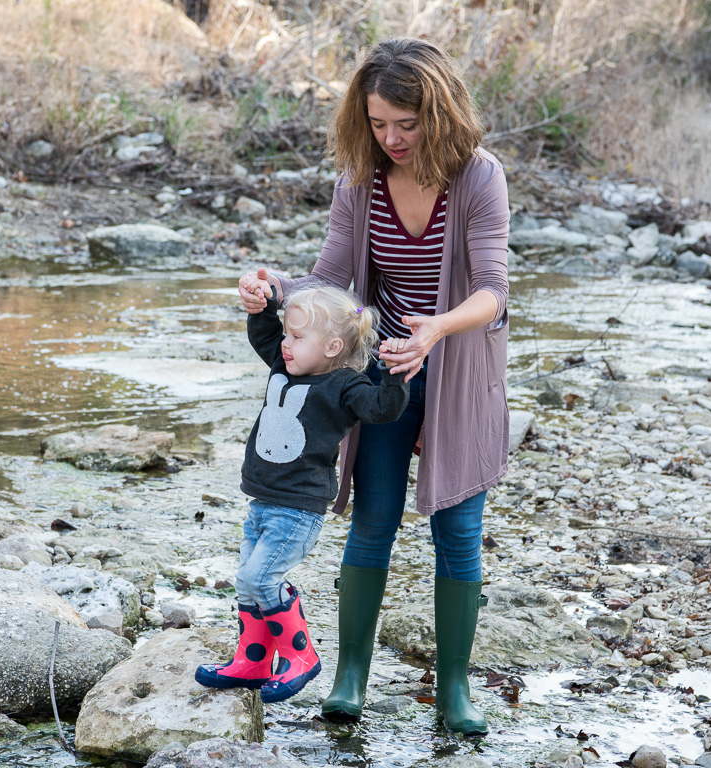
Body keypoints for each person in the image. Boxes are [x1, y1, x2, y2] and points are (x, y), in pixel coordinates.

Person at [237, 37, 510, 737]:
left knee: (458, 529)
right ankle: (349, 677)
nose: (390, 137)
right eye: (378, 121)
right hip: (384, 372)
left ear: (439, 113)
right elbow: (333, 281)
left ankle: (453, 690)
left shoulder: (478, 178)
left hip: (459, 369)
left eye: (406, 124)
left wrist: (436, 329)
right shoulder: (358, 182)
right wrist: (272, 286)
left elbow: (492, 292)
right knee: (373, 520)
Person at [195, 283, 410, 703]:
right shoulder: (283, 364)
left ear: (331, 347)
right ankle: (253, 661)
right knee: (245, 584)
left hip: (297, 510)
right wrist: (265, 308)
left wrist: (394, 373)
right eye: (287, 334)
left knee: (260, 578)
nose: (286, 344)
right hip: (261, 502)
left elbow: (383, 409)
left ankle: (301, 657)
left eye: (297, 337)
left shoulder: (346, 386)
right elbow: (263, 335)